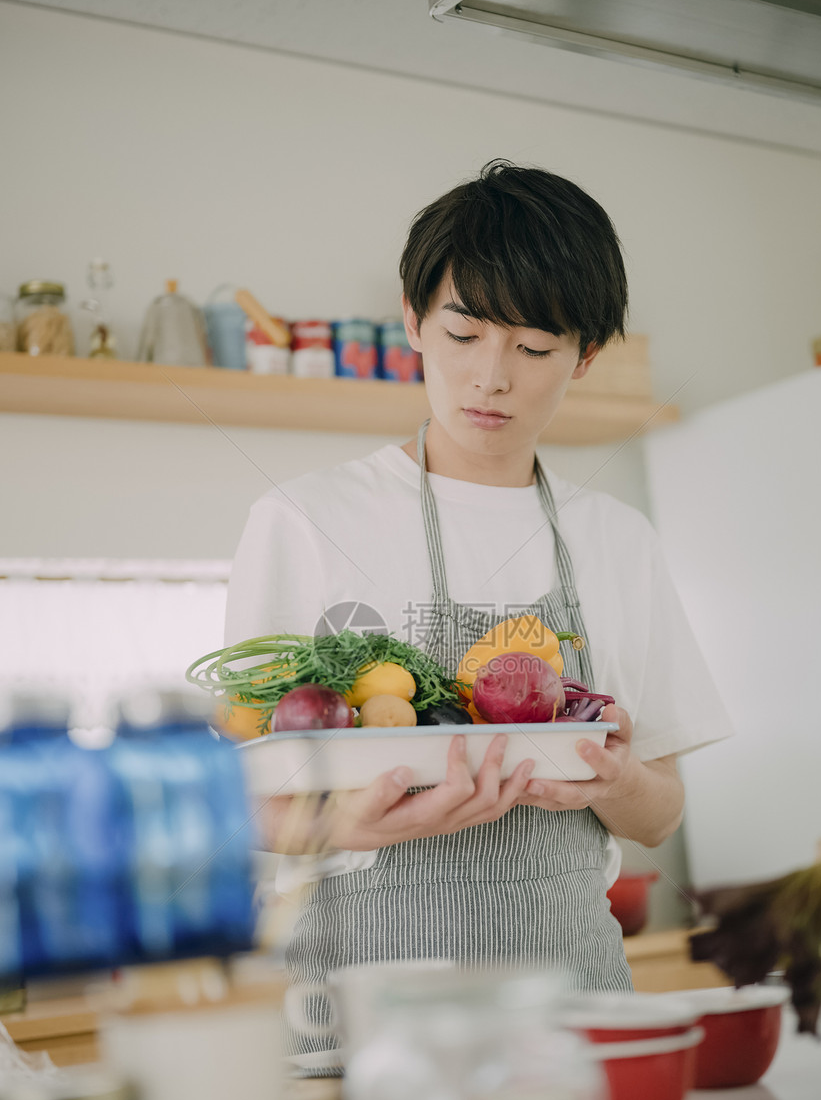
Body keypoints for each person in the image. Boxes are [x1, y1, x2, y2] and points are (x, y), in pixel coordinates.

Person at [225, 160, 733, 1048]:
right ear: (414, 322)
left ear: (585, 356)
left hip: (572, 1013)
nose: (491, 379)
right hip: (360, 1026)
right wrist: (351, 820)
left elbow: (662, 812)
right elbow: (237, 797)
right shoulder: (302, 520)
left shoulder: (617, 538)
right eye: (463, 334)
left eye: (534, 349)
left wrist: (611, 779)